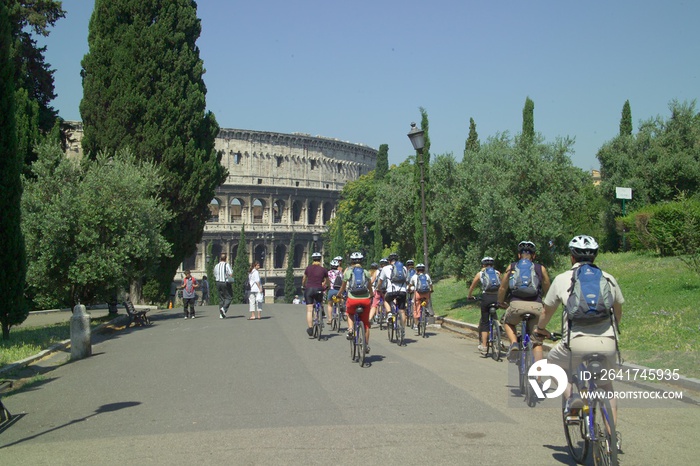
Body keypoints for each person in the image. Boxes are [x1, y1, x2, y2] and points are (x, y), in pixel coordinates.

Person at [533, 235, 624, 434]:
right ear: (595, 256)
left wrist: (540, 330)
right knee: (606, 385)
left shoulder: (563, 279)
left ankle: (572, 396)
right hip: (607, 343)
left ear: (572, 258)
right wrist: (613, 329)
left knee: (552, 364)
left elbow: (546, 312)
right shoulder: (608, 278)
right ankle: (611, 437)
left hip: (575, 343)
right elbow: (617, 311)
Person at [497, 241, 550, 362]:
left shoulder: (512, 267)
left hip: (516, 305)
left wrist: (500, 302)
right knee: (537, 342)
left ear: (519, 255)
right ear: (534, 256)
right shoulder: (540, 268)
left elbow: (503, 287)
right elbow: (547, 285)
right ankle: (538, 376)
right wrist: (544, 299)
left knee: (507, 322)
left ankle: (514, 343)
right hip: (536, 306)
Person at [338, 252, 373, 353]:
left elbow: (343, 286)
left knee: (349, 313)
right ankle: (365, 345)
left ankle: (350, 329)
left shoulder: (348, 272)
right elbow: (370, 286)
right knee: (366, 324)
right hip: (365, 299)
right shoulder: (366, 272)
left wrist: (339, 294)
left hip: (352, 299)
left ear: (351, 262)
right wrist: (371, 294)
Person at [467, 257, 502, 355]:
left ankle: (484, 346)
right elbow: (503, 286)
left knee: (485, 321)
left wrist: (469, 296)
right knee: (494, 312)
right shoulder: (498, 273)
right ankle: (498, 327)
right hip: (496, 298)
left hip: (486, 297)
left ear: (483, 265)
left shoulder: (480, 274)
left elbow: (472, 286)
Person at [376, 253, 409, 339]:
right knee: (402, 311)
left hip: (391, 291)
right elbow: (407, 280)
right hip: (402, 291)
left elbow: (380, 281)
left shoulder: (385, 268)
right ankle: (403, 330)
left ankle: (390, 313)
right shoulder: (404, 268)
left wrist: (378, 288)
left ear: (389, 261)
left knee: (386, 300)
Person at [302, 251, 329, 336]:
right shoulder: (323, 269)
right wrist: (326, 286)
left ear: (312, 259)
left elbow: (304, 279)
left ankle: (310, 328)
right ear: (320, 259)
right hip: (319, 289)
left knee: (309, 310)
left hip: (309, 289)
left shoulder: (308, 268)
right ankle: (321, 311)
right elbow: (327, 281)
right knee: (319, 301)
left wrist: (303, 286)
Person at [410, 263, 434, 333]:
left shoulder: (414, 277)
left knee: (416, 308)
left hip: (418, 294)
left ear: (417, 270)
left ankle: (416, 324)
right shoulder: (427, 276)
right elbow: (431, 284)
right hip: (426, 294)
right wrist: (431, 290)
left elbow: (410, 285)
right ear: (423, 270)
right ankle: (425, 310)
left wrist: (409, 288)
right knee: (426, 302)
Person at [214, 253, 233, 319]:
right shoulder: (227, 265)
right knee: (229, 297)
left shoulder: (216, 265)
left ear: (220, 258)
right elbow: (231, 274)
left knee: (221, 298)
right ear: (226, 258)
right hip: (225, 282)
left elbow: (215, 274)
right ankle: (224, 309)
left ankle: (221, 314)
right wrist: (231, 281)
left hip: (218, 282)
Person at [326, 259, 343, 324]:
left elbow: (327, 281)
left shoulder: (329, 273)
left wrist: (327, 287)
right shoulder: (340, 272)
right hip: (338, 290)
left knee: (330, 304)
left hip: (332, 290)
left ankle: (330, 319)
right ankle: (340, 307)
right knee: (339, 300)